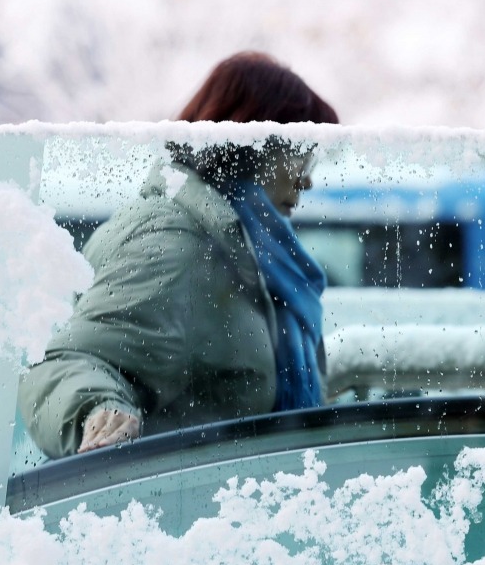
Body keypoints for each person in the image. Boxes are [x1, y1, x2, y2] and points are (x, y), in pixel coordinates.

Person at [19, 51, 338, 458]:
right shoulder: (179, 241)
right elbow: (71, 363)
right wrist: (98, 411)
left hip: (223, 507)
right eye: (300, 154)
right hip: (174, 508)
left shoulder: (247, 251)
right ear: (252, 146)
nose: (307, 179)